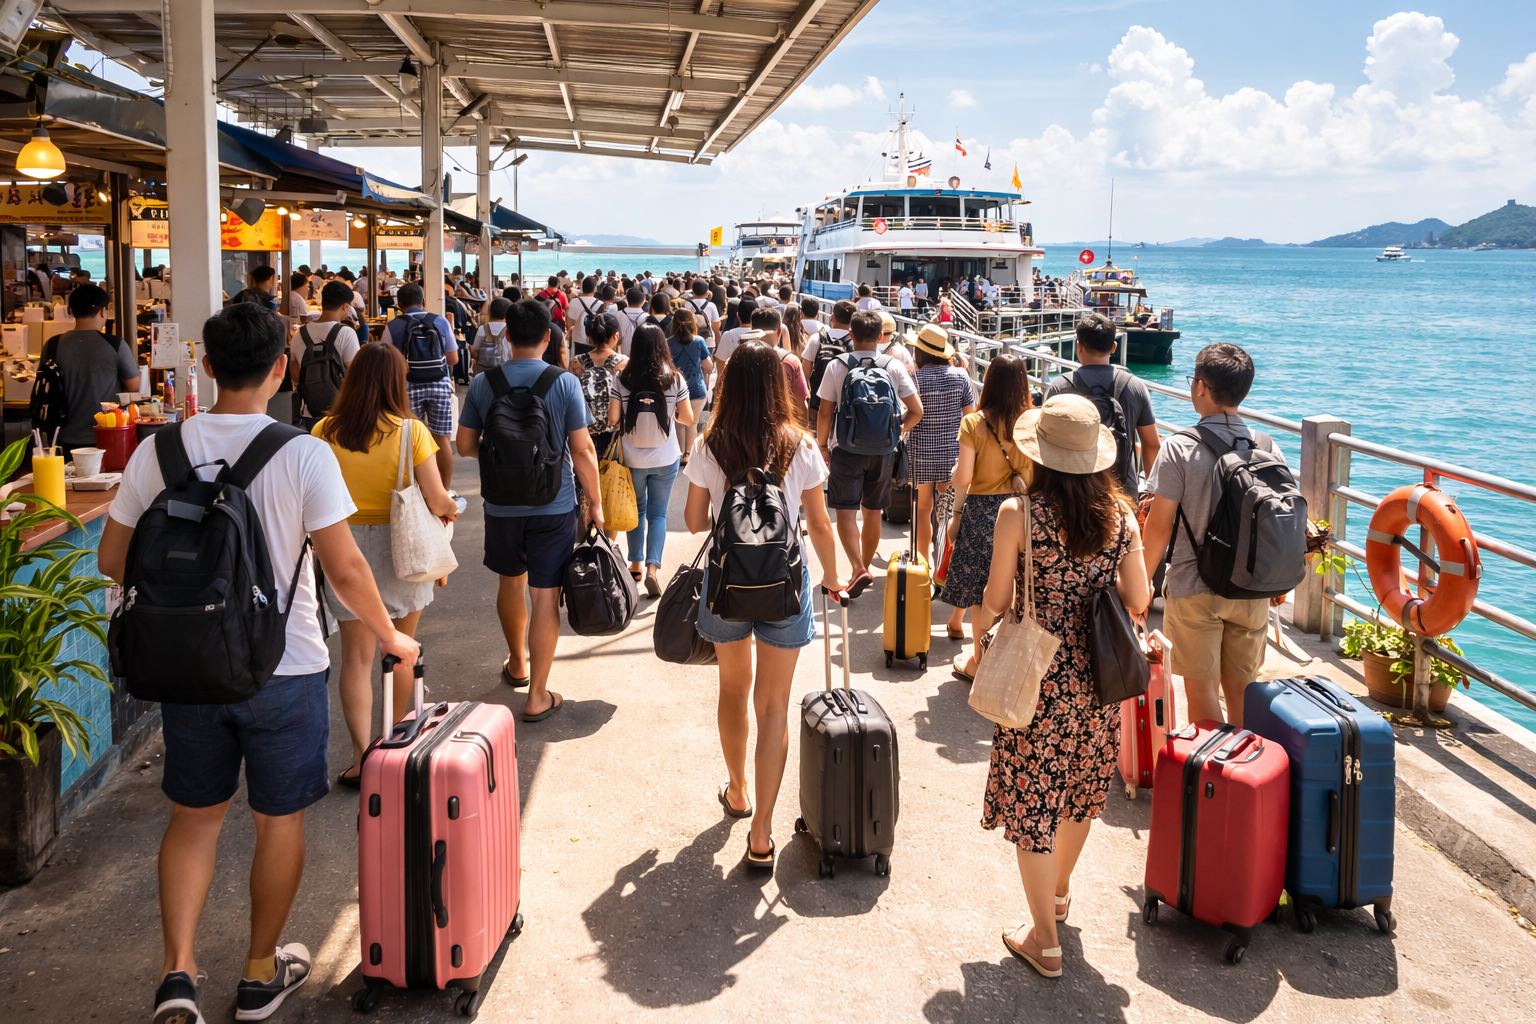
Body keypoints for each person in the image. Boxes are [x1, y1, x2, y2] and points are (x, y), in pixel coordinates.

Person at [97, 303, 419, 1024]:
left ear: (207, 367)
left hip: (187, 669)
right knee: (278, 823)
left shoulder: (158, 452)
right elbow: (344, 570)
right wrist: (390, 637)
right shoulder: (303, 453)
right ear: (282, 368)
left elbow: (111, 560)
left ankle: (177, 973)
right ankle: (257, 974)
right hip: (288, 665)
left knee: (194, 819)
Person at [980, 394, 1150, 979]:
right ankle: (1056, 896)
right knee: (1080, 791)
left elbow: (998, 600)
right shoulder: (1122, 517)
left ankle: (1045, 941)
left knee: (1033, 803)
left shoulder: (1018, 514)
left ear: (1042, 454)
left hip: (1036, 679)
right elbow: (1140, 599)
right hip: (1099, 676)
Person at [682, 341, 844, 871]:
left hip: (727, 587)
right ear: (778, 385)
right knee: (773, 704)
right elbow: (819, 524)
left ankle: (737, 790)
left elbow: (690, 520)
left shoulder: (710, 444)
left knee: (732, 689)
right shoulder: (800, 445)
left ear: (728, 388)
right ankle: (761, 832)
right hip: (786, 588)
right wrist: (836, 578)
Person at [312, 343, 458, 786]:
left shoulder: (322, 430)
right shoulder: (411, 432)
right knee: (400, 652)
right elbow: (436, 499)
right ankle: (397, 753)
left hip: (342, 548)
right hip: (404, 547)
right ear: (398, 382)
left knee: (354, 659)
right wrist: (454, 508)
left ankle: (362, 758)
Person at [457, 299, 602, 722]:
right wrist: (595, 502)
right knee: (545, 596)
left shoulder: (484, 383)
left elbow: (465, 445)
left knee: (510, 583)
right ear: (546, 336)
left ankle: (517, 663)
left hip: (502, 505)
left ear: (505, 335)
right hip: (553, 505)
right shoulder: (564, 383)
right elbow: (583, 448)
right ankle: (537, 694)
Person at [1140, 343, 1288, 729]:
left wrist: (1141, 587)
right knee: (1242, 691)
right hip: (1250, 587)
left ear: (1201, 387)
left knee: (1201, 690)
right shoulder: (1267, 445)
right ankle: (1242, 779)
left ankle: (1212, 777)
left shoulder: (1179, 448)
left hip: (1194, 586)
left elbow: (1159, 525)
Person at [814, 309, 923, 597]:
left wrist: (823, 445)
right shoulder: (893, 366)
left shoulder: (837, 366)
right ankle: (863, 567)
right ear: (879, 337)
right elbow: (917, 411)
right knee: (873, 512)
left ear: (851, 335)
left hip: (846, 449)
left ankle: (856, 568)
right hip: (883, 451)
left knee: (847, 514)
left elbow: (825, 412)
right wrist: (896, 433)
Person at [944, 354, 1033, 676]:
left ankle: (980, 663)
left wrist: (955, 509)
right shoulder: (1033, 422)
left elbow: (963, 478)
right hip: (1024, 512)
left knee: (984, 592)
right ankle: (1011, 661)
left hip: (983, 514)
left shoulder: (973, 423)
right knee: (1018, 588)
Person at [608, 323, 695, 596]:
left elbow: (612, 419)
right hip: (666, 457)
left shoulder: (621, 378)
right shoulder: (675, 378)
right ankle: (653, 570)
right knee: (658, 514)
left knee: (637, 512)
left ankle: (634, 565)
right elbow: (688, 418)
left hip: (632, 458)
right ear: (662, 346)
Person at [1041, 312, 1161, 499]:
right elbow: (1151, 444)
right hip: (1123, 495)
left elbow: (1046, 442)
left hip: (1071, 493)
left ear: (1078, 346)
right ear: (1114, 347)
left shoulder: (1060, 387)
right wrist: (1151, 494)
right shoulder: (1135, 386)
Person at [905, 324, 976, 565]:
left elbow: (908, 413)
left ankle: (922, 566)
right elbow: (970, 419)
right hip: (953, 455)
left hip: (921, 453)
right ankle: (944, 567)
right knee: (947, 511)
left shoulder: (914, 378)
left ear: (920, 353)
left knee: (922, 509)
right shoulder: (961, 376)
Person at [45, 283, 141, 457]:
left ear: (71, 312)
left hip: (61, 438)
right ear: (103, 311)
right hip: (107, 435)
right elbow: (135, 387)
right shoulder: (115, 344)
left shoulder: (52, 345)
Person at [385, 283, 460, 490]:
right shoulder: (440, 321)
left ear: (399, 304)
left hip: (407, 387)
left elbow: (388, 362)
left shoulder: (393, 326)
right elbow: (453, 359)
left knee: (410, 439)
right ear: (423, 302)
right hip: (439, 385)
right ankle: (444, 490)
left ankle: (415, 491)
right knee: (442, 439)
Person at [570, 311, 627, 527]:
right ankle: (608, 545)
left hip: (582, 434)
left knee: (584, 486)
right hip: (614, 436)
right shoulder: (623, 362)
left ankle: (585, 538)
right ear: (615, 336)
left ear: (589, 337)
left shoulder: (577, 362)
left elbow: (573, 399)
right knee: (612, 488)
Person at [292, 281, 363, 426]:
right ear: (345, 306)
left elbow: (294, 372)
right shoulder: (346, 333)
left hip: (310, 410)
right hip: (341, 409)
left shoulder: (300, 333)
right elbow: (355, 373)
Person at [667, 308, 712, 459]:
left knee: (679, 423)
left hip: (675, 388)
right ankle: (689, 455)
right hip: (696, 387)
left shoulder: (668, 342)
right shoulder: (699, 340)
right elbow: (709, 366)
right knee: (692, 423)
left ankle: (679, 454)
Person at [470, 296, 514, 376]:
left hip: (483, 373)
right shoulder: (511, 329)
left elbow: (474, 351)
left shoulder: (482, 329)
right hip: (505, 371)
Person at [682, 278, 722, 350]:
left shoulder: (686, 304)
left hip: (691, 340)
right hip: (708, 341)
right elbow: (716, 327)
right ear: (706, 292)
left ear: (693, 291)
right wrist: (718, 344)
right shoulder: (711, 305)